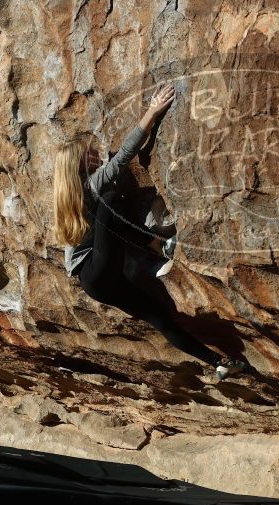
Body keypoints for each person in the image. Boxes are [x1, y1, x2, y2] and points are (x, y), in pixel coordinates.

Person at [51, 83, 246, 380]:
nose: (96, 155)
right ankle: (158, 244)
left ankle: (219, 362)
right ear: (77, 164)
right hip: (98, 268)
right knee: (113, 200)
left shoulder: (67, 202)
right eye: (89, 154)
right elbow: (125, 155)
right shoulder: (91, 188)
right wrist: (153, 111)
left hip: (96, 284)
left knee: (159, 317)